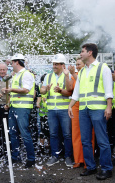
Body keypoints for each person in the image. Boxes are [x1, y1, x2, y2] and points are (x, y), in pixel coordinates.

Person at [68, 43, 113, 180]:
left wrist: (109, 106)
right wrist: (70, 106)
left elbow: (108, 90)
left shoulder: (102, 67)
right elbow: (76, 92)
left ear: (90, 52)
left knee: (102, 140)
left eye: (82, 51)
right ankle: (91, 167)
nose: (80, 54)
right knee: (86, 140)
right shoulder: (81, 72)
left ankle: (106, 169)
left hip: (98, 110)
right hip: (83, 110)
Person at [40, 54, 73, 167]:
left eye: (56, 64)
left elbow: (70, 92)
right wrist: (45, 89)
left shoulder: (67, 75)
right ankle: (55, 155)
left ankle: (68, 156)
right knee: (53, 134)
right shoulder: (48, 76)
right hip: (51, 110)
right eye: (53, 64)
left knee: (67, 134)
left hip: (64, 109)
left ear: (63, 65)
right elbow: (42, 90)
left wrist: (60, 91)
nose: (54, 66)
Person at [4, 53, 35, 168]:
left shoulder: (26, 74)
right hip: (14, 107)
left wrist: (11, 89)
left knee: (24, 133)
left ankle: (31, 159)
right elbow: (14, 92)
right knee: (12, 132)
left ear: (17, 62)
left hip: (23, 108)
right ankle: (15, 157)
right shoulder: (16, 75)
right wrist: (9, 103)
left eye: (12, 63)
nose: (11, 65)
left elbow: (26, 90)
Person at [66, 57, 95, 169]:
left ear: (85, 64)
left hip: (87, 104)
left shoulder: (86, 74)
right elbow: (69, 89)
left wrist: (73, 73)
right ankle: (78, 159)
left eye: (79, 64)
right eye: (76, 64)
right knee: (76, 133)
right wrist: (67, 75)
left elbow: (83, 83)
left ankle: (88, 161)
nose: (77, 66)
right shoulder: (74, 75)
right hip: (76, 105)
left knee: (89, 134)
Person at [36, 74, 50, 155]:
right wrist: (38, 103)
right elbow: (39, 96)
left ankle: (48, 145)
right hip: (43, 114)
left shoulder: (51, 86)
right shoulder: (40, 87)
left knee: (50, 130)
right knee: (42, 130)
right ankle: (41, 146)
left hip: (50, 112)